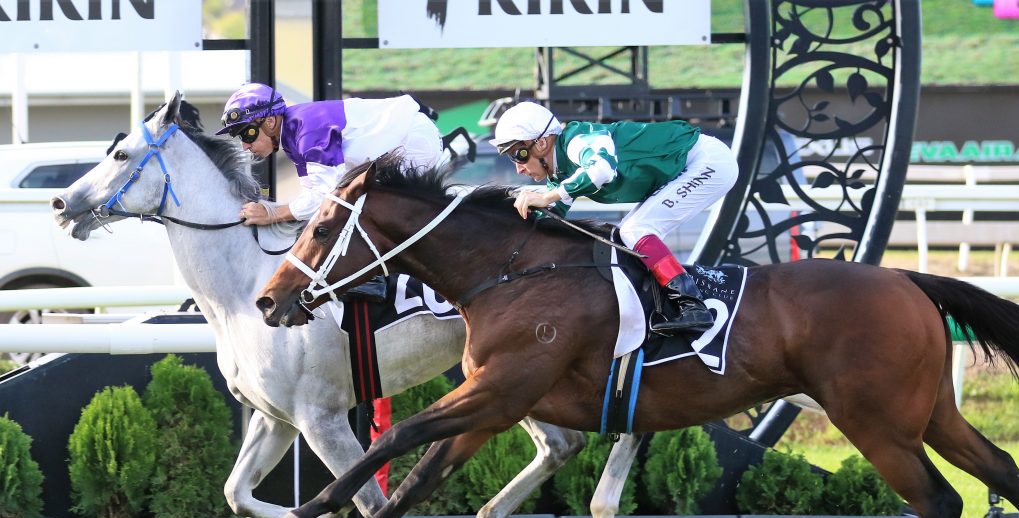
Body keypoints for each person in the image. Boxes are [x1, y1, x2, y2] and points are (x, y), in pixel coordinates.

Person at [490, 102, 739, 336]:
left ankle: (692, 306)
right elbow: (547, 222)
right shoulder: (561, 172)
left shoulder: (579, 139)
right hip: (687, 166)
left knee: (635, 231)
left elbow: (601, 170)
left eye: (518, 154)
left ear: (542, 143)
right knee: (624, 235)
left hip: (707, 162)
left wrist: (546, 196)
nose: (518, 168)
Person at [215, 82, 448, 301]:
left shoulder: (307, 131)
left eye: (247, 134)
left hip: (413, 140)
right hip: (400, 141)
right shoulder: (293, 132)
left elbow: (323, 197)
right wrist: (276, 213)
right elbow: (311, 195)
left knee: (349, 205)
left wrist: (272, 214)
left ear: (269, 122)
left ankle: (375, 279)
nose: (245, 145)